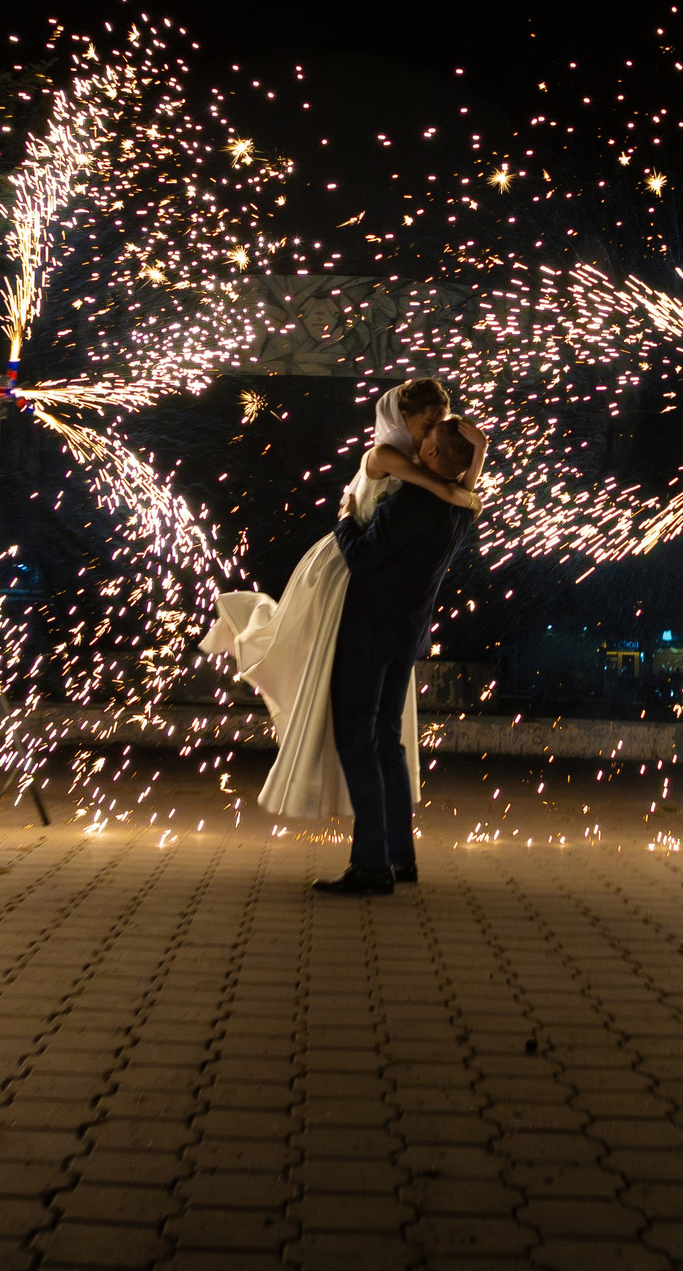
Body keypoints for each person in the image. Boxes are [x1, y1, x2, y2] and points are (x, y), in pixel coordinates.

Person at [198, 379, 481, 826]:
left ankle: (371, 844)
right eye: (427, 423)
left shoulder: (414, 470)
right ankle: (385, 845)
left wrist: (467, 472)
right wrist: (463, 488)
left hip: (365, 578)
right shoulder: (384, 456)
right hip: (340, 573)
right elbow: (445, 485)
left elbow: (444, 481)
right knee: (327, 682)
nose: (432, 433)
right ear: (400, 419)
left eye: (437, 426)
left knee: (360, 721)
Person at [313, 412, 486, 896]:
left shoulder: (409, 503)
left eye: (425, 440)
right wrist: (480, 450)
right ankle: (398, 856)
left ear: (430, 455)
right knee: (388, 740)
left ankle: (371, 864)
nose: (416, 446)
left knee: (356, 737)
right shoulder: (461, 507)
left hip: (369, 636)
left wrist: (346, 517)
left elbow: (363, 558)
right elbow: (466, 481)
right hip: (405, 639)